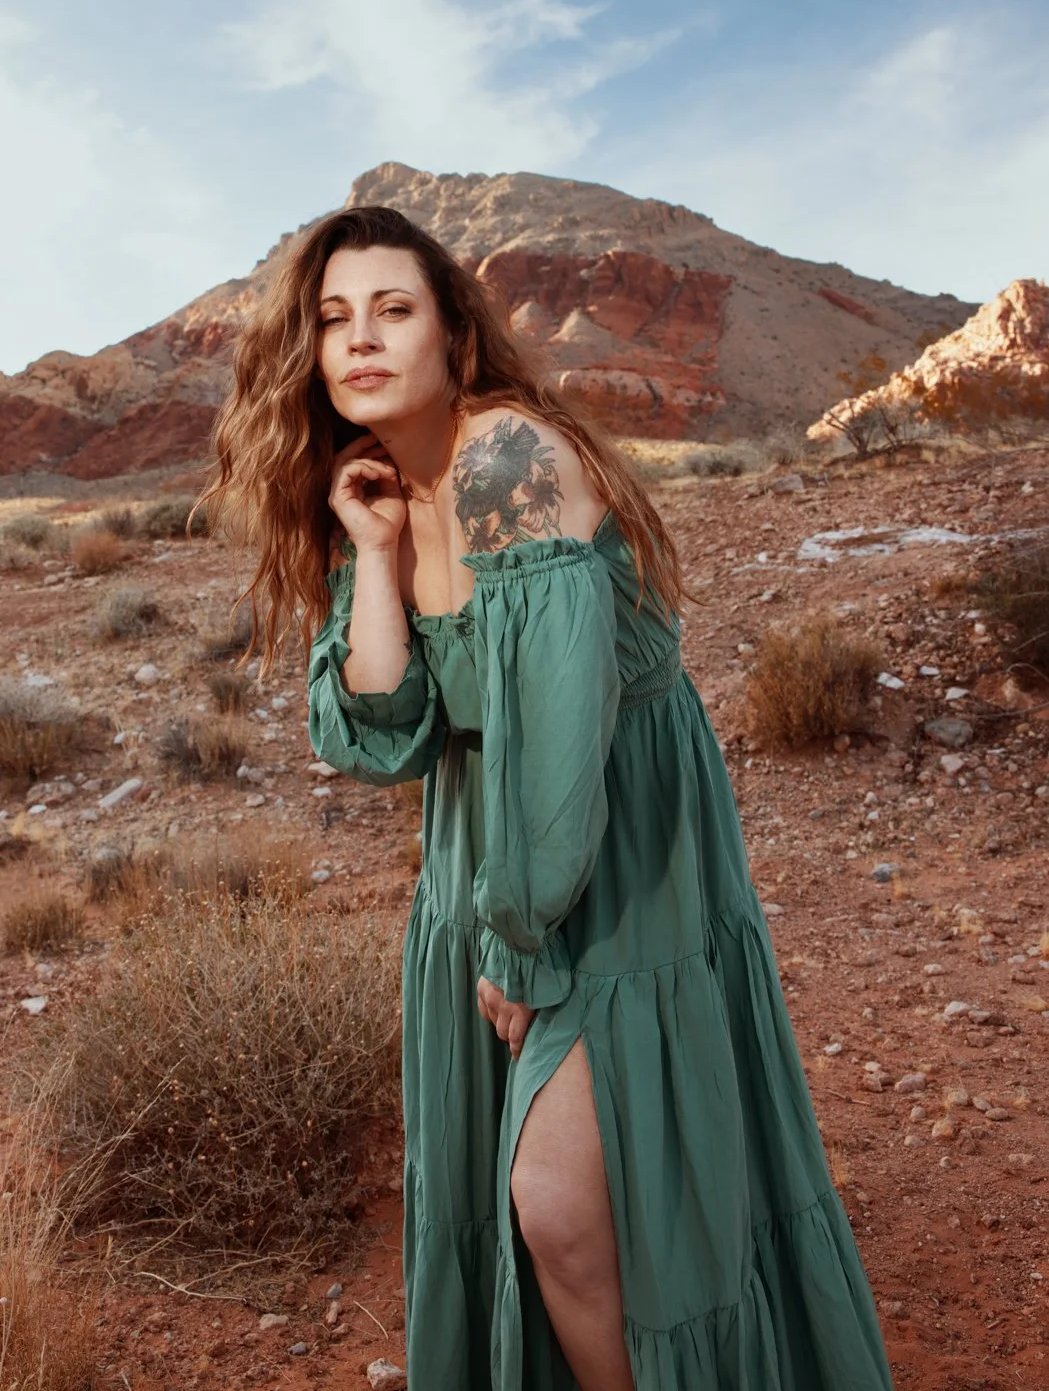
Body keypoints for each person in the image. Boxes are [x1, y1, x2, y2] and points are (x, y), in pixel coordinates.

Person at [201, 201, 896, 1391]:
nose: (360, 339)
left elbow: (563, 733)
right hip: (495, 846)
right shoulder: (373, 488)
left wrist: (519, 940)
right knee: (563, 1217)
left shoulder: (504, 458)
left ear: (453, 331)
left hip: (614, 852)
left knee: (562, 1204)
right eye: (332, 318)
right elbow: (376, 738)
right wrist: (368, 554)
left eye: (393, 309)